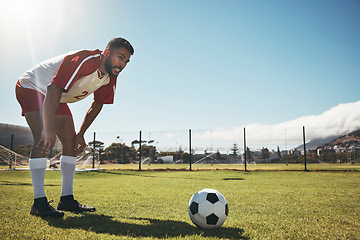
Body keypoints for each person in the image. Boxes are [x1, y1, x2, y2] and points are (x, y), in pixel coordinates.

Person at [15, 37, 134, 217]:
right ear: (107, 53)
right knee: (43, 137)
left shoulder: (111, 75)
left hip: (56, 95)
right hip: (32, 86)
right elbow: (54, 88)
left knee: (70, 141)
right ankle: (39, 203)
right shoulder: (86, 60)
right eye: (120, 57)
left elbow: (97, 104)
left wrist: (81, 133)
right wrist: (47, 128)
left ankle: (67, 200)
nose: (123, 64)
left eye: (126, 61)